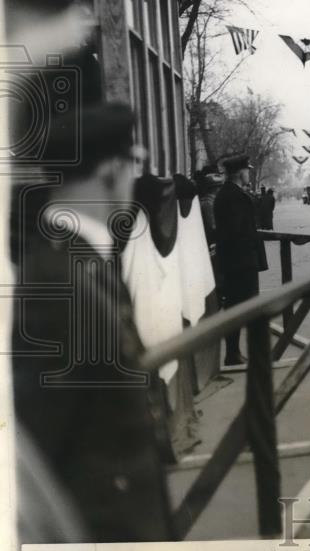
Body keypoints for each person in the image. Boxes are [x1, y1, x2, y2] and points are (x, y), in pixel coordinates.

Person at [11, 103, 175, 542]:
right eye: (133, 164)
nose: (135, 178)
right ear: (109, 172)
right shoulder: (53, 281)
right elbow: (37, 454)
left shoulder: (81, 259)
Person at [214, 154, 264, 364]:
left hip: (234, 261)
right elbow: (239, 231)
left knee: (235, 307)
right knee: (246, 308)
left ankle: (234, 353)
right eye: (247, 170)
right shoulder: (235, 196)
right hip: (241, 261)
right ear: (239, 172)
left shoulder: (225, 194)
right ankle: (238, 355)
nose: (249, 174)